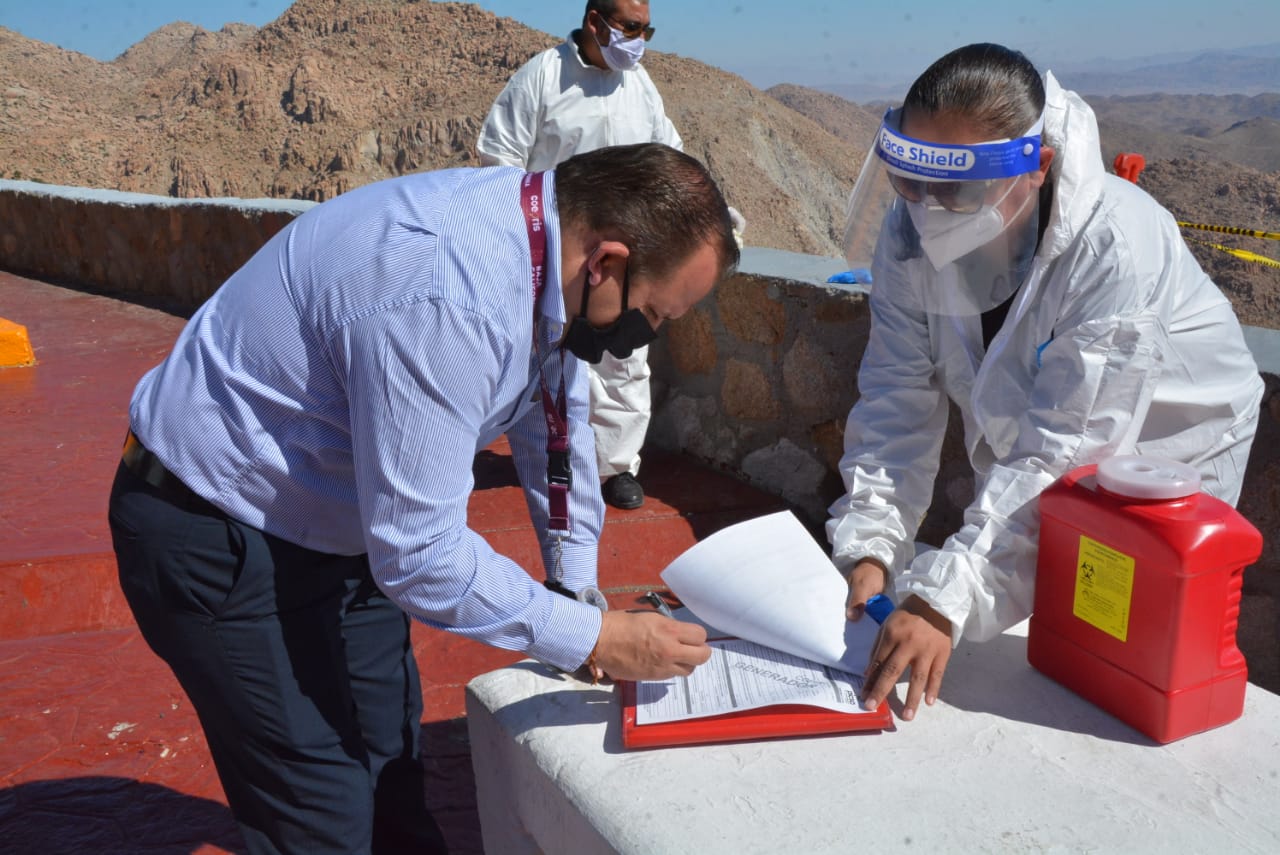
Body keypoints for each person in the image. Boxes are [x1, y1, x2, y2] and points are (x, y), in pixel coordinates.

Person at [107, 142, 734, 854]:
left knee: (391, 768)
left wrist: (577, 592)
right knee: (320, 814)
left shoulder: (545, 255)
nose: (646, 335)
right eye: (653, 313)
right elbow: (420, 554)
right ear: (607, 263)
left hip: (340, 522)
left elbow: (551, 422)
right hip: (218, 529)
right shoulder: (447, 293)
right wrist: (595, 637)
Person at [827, 43, 1263, 723]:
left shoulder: (1114, 245)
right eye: (912, 181)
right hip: (1055, 447)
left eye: (956, 188)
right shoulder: (911, 230)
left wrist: (946, 597)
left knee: (1127, 659)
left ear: (1037, 168)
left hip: (1172, 448)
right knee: (1053, 636)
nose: (928, 209)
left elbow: (1066, 449)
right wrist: (870, 546)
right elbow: (895, 392)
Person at [476, 0, 679, 511]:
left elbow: (668, 156)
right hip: (557, 253)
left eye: (646, 30)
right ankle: (551, 457)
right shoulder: (543, 77)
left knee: (624, 361)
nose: (639, 40)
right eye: (631, 28)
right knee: (548, 358)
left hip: (626, 256)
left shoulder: (640, 86)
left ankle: (616, 467)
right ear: (595, 22)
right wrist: (527, 241)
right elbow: (500, 160)